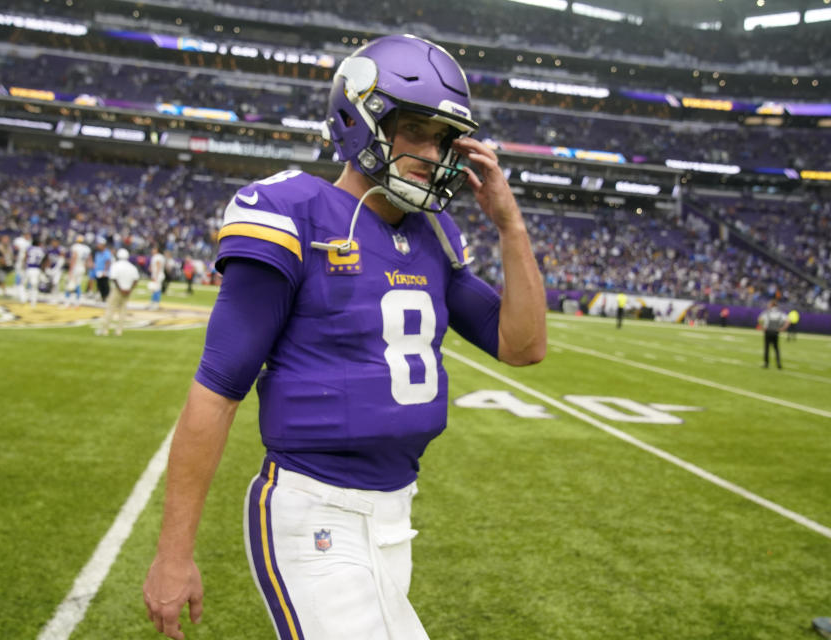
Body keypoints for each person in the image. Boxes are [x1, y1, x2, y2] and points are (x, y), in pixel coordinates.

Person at [143, 34, 546, 640]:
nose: (434, 154)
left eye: (443, 139)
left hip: (396, 514)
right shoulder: (293, 212)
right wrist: (173, 554)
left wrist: (510, 224)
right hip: (314, 510)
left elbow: (523, 346)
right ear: (360, 119)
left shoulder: (435, 235)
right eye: (417, 129)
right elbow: (218, 389)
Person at [96, 248, 139, 336]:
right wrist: (130, 289)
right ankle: (119, 331)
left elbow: (114, 278)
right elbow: (135, 280)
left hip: (117, 290)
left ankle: (105, 330)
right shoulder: (132, 267)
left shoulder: (116, 265)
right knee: (123, 311)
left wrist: (121, 289)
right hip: (127, 290)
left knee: (110, 309)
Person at [757, 300, 789, 369]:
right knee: (776, 349)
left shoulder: (767, 312)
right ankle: (778, 364)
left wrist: (762, 327)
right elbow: (788, 321)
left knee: (767, 348)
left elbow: (759, 319)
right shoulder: (780, 313)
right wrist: (782, 329)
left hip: (768, 331)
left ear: (771, 305)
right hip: (776, 332)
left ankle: (766, 363)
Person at [65, 234, 91, 307]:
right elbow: (88, 260)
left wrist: (70, 269)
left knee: (70, 284)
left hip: (76, 267)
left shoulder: (76, 247)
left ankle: (67, 302)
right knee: (78, 285)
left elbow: (74, 258)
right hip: (82, 267)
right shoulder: (86, 248)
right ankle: (77, 302)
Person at [24, 236, 46, 308]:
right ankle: (33, 302)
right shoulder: (41, 250)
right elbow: (44, 259)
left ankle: (24, 299)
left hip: (29, 268)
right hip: (37, 269)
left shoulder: (29, 248)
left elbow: (26, 257)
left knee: (23, 284)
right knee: (34, 286)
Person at [93, 237, 114, 303]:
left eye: (99, 244)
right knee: (99, 285)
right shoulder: (98, 252)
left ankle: (106, 298)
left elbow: (108, 262)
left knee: (105, 285)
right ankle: (102, 298)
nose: (98, 246)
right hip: (98, 272)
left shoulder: (106, 252)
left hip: (104, 272)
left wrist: (105, 271)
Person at [46, 237, 66, 304]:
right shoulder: (50, 249)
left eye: (55, 242)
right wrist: (48, 268)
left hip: (58, 269)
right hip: (52, 269)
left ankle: (57, 297)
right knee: (52, 283)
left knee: (56, 282)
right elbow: (48, 259)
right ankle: (53, 297)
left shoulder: (61, 249)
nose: (53, 243)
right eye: (52, 242)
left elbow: (62, 260)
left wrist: (56, 268)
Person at [13, 231, 31, 303]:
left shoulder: (29, 241)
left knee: (26, 275)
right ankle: (18, 288)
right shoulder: (19, 240)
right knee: (18, 274)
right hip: (20, 260)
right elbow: (15, 249)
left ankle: (25, 289)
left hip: (27, 261)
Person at [148, 244, 166, 310]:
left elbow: (158, 267)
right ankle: (153, 302)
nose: (152, 250)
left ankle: (155, 304)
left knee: (156, 289)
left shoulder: (157, 257)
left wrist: (155, 276)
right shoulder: (158, 256)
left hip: (158, 275)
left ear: (157, 250)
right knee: (154, 289)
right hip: (158, 274)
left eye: (153, 249)